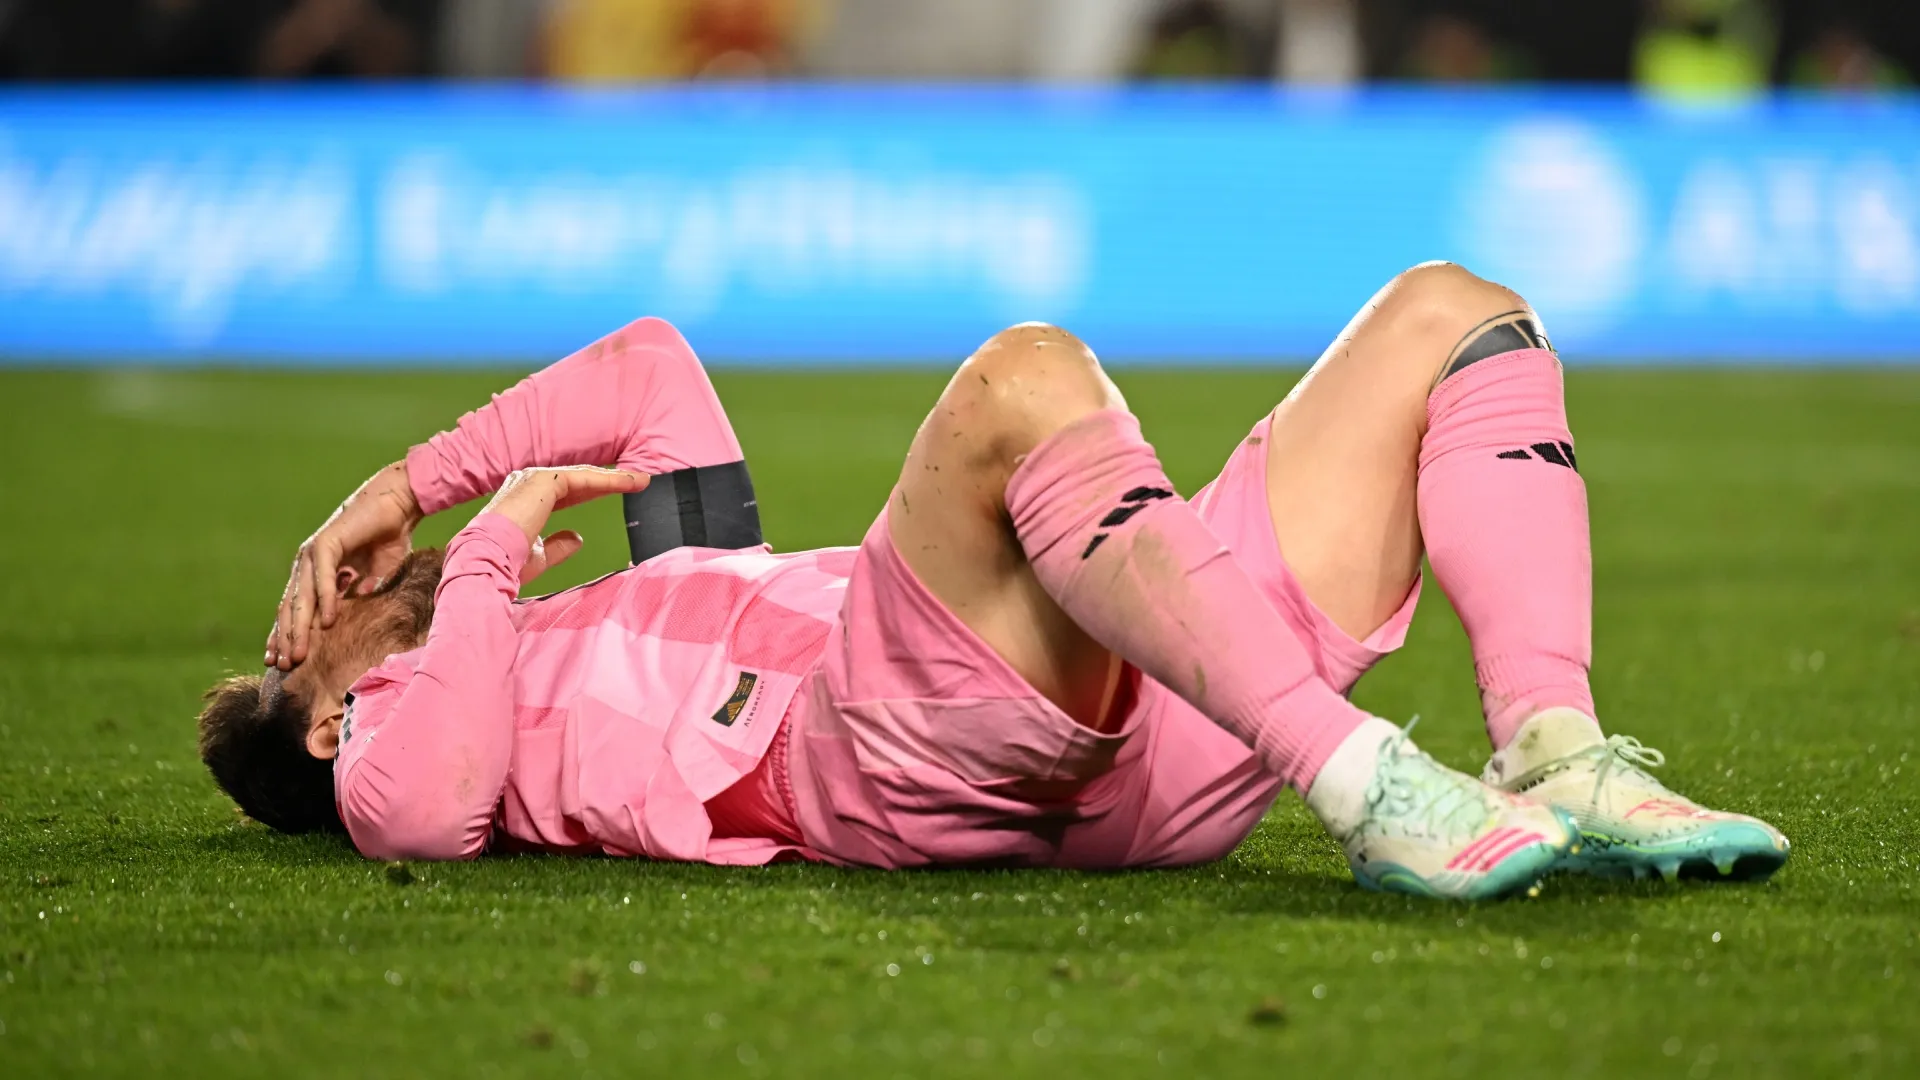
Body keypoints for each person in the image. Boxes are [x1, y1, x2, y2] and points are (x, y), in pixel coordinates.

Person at [198, 262, 1790, 899]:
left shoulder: (635, 600)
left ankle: (1554, 751)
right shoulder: (408, 726)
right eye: (300, 646)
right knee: (1023, 379)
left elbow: (650, 369)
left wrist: (403, 485)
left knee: (1457, 313)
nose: (326, 605)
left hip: (1147, 708)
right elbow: (424, 816)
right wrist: (483, 543)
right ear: (327, 718)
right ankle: (1366, 782)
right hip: (875, 746)